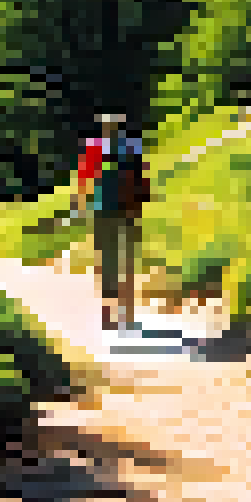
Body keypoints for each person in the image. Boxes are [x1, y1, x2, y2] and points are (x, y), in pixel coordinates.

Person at [73, 111, 147, 334]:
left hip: (108, 211)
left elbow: (84, 178)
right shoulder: (129, 146)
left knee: (111, 263)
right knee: (122, 262)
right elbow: (141, 177)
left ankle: (114, 313)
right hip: (122, 210)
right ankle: (121, 313)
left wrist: (79, 205)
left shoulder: (97, 147)